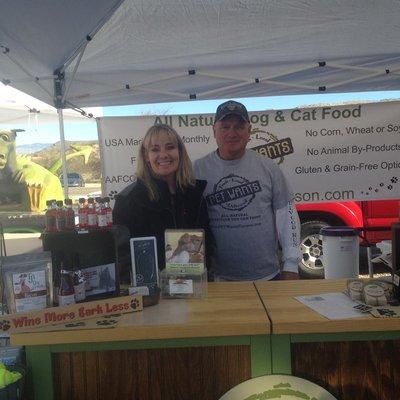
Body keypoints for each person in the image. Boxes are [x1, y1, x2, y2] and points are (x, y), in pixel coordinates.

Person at [193, 100, 300, 281]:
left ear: (249, 131)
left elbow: (287, 215)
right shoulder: (197, 171)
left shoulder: (268, 167)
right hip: (216, 279)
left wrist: (291, 264)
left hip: (267, 276)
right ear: (214, 131)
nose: (232, 133)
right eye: (225, 127)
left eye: (239, 127)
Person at [113, 124, 214, 273]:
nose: (164, 154)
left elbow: (208, 243)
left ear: (179, 152)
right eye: (155, 149)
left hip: (195, 286)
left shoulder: (195, 195)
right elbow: (122, 256)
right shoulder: (128, 200)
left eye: (170, 147)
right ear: (146, 156)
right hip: (153, 292)